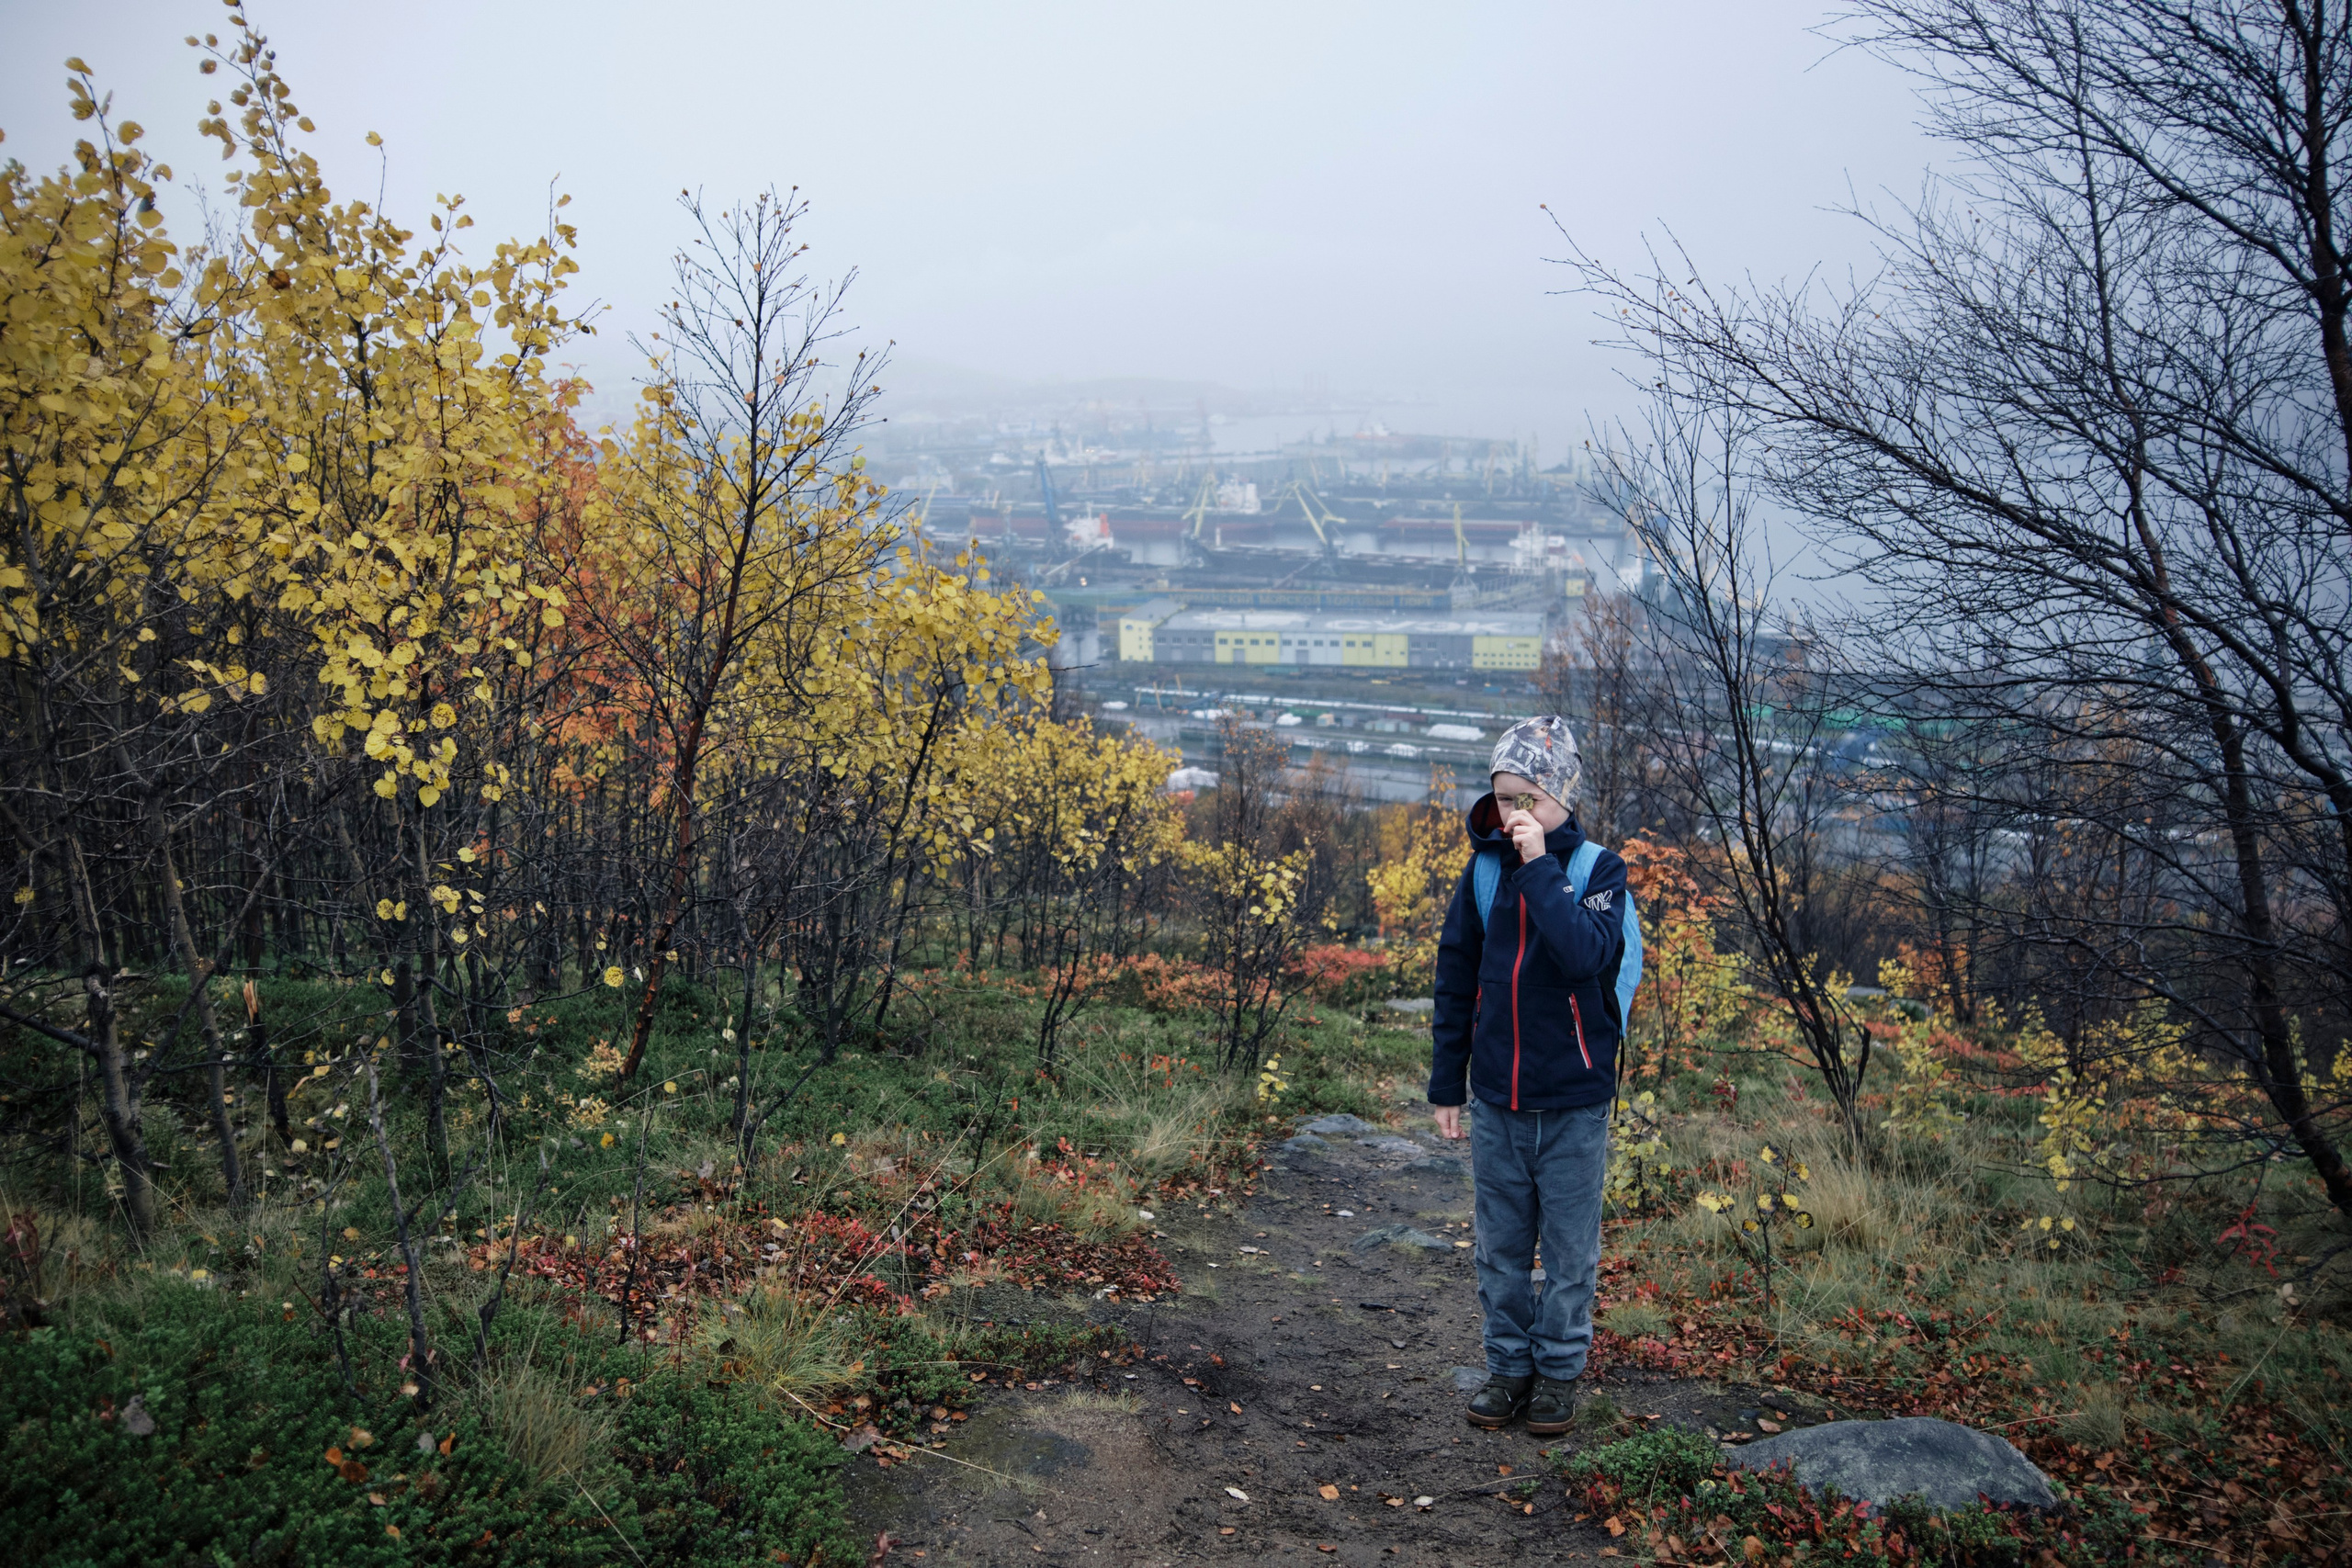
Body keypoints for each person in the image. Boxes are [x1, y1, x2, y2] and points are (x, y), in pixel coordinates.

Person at [1428, 715, 1628, 1435]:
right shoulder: (1483, 872)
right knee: (1500, 1249)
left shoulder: (1596, 872)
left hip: (1573, 1104)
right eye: (1504, 798)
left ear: (1562, 798)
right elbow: (1455, 980)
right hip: (1498, 1102)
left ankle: (1559, 1374)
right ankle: (1508, 1366)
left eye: (1529, 799)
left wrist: (1541, 867)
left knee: (1571, 1253)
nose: (1513, 815)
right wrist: (1447, 1083)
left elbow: (1583, 955)